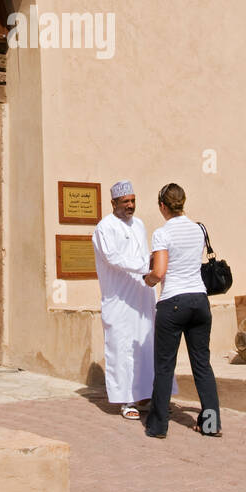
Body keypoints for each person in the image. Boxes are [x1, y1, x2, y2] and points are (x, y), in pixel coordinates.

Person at [143, 183, 221, 439]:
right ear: (183, 202)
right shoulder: (199, 229)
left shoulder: (162, 233)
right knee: (202, 364)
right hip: (199, 299)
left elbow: (160, 271)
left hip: (173, 301)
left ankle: (158, 426)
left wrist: (148, 279)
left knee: (165, 366)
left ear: (162, 206)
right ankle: (211, 424)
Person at [92, 180, 156, 420]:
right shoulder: (104, 228)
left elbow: (143, 254)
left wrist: (151, 271)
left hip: (141, 297)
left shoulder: (139, 225)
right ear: (113, 203)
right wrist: (145, 266)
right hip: (118, 300)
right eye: (125, 201)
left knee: (144, 346)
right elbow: (113, 258)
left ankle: (145, 395)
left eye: (133, 201)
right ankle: (126, 401)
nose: (130, 205)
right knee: (121, 348)